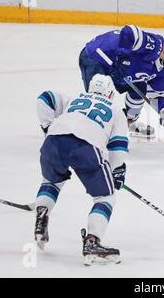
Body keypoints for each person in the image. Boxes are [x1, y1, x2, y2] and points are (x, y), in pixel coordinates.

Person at [34, 74, 128, 265]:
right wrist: (117, 171)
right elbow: (117, 147)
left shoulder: (74, 98)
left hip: (54, 140)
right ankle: (92, 242)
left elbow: (45, 97)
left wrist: (48, 127)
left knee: (52, 181)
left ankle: (42, 214)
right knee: (105, 197)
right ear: (110, 94)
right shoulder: (116, 109)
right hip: (86, 146)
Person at [79, 25, 164, 138]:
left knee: (140, 89)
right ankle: (93, 128)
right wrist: (123, 58)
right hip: (97, 56)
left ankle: (130, 121)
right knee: (100, 94)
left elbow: (158, 95)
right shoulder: (153, 44)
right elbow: (128, 31)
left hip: (120, 70)